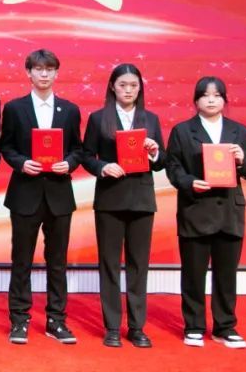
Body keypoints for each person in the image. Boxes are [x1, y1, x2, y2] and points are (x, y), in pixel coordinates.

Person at [165, 76, 246, 350]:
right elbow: (173, 168)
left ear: (224, 100)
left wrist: (242, 160)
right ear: (196, 100)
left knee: (226, 275)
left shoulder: (239, 131)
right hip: (196, 209)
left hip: (229, 211)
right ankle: (194, 326)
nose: (211, 100)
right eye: (205, 95)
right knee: (193, 274)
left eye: (217, 95)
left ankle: (225, 327)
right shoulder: (183, 131)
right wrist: (189, 182)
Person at [0, 49, 82, 345]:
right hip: (25, 193)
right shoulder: (14, 108)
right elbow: (5, 147)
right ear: (29, 73)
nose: (44, 74)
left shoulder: (69, 110)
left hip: (59, 194)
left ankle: (56, 320)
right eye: (38, 69)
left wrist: (69, 163)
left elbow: (78, 149)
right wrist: (22, 162)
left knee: (57, 261)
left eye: (49, 69)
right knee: (21, 259)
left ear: (57, 73)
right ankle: (19, 319)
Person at [81, 63, 165, 349]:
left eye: (134, 86)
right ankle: (113, 327)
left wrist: (154, 153)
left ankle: (137, 327)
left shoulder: (150, 119)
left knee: (138, 265)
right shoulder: (98, 118)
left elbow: (162, 161)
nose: (128, 90)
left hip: (142, 200)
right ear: (112, 87)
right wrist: (103, 167)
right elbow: (86, 156)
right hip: (110, 199)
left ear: (140, 88)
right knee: (109, 264)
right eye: (122, 85)